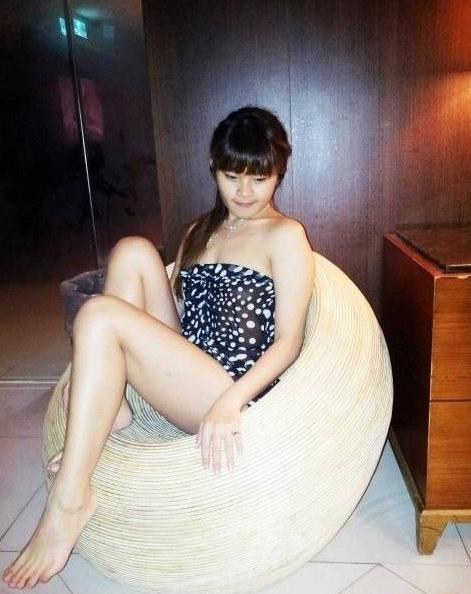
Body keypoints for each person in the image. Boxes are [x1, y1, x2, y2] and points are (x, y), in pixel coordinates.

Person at [2, 105, 315, 589]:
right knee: (132, 249)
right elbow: (182, 314)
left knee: (98, 314)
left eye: (260, 178)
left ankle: (70, 499)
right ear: (213, 168)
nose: (245, 192)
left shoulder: (286, 235)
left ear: (279, 173)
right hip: (188, 367)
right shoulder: (199, 231)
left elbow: (289, 342)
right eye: (232, 176)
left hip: (228, 387)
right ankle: (114, 403)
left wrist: (230, 402)